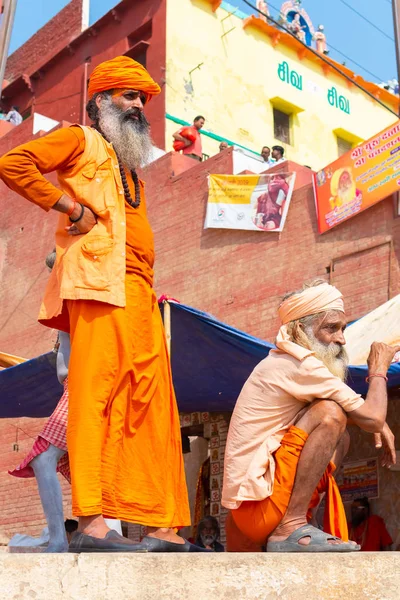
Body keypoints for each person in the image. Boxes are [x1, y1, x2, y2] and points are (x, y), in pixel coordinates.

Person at [0, 56, 206, 553]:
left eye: (143, 99)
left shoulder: (129, 167)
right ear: (100, 101)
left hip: (138, 294)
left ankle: (163, 527)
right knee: (94, 401)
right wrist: (71, 208)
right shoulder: (80, 139)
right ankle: (91, 525)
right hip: (98, 287)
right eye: (129, 96)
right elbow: (12, 163)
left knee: (153, 407)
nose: (139, 106)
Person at [222, 279, 398, 552]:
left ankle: (303, 520)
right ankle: (291, 525)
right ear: (300, 330)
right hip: (258, 509)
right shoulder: (299, 364)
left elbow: (368, 417)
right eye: (330, 328)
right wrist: (378, 369)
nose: (341, 339)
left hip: (249, 514)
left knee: (341, 432)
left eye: (343, 328)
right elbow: (371, 416)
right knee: (330, 415)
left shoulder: (284, 363)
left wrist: (377, 422)